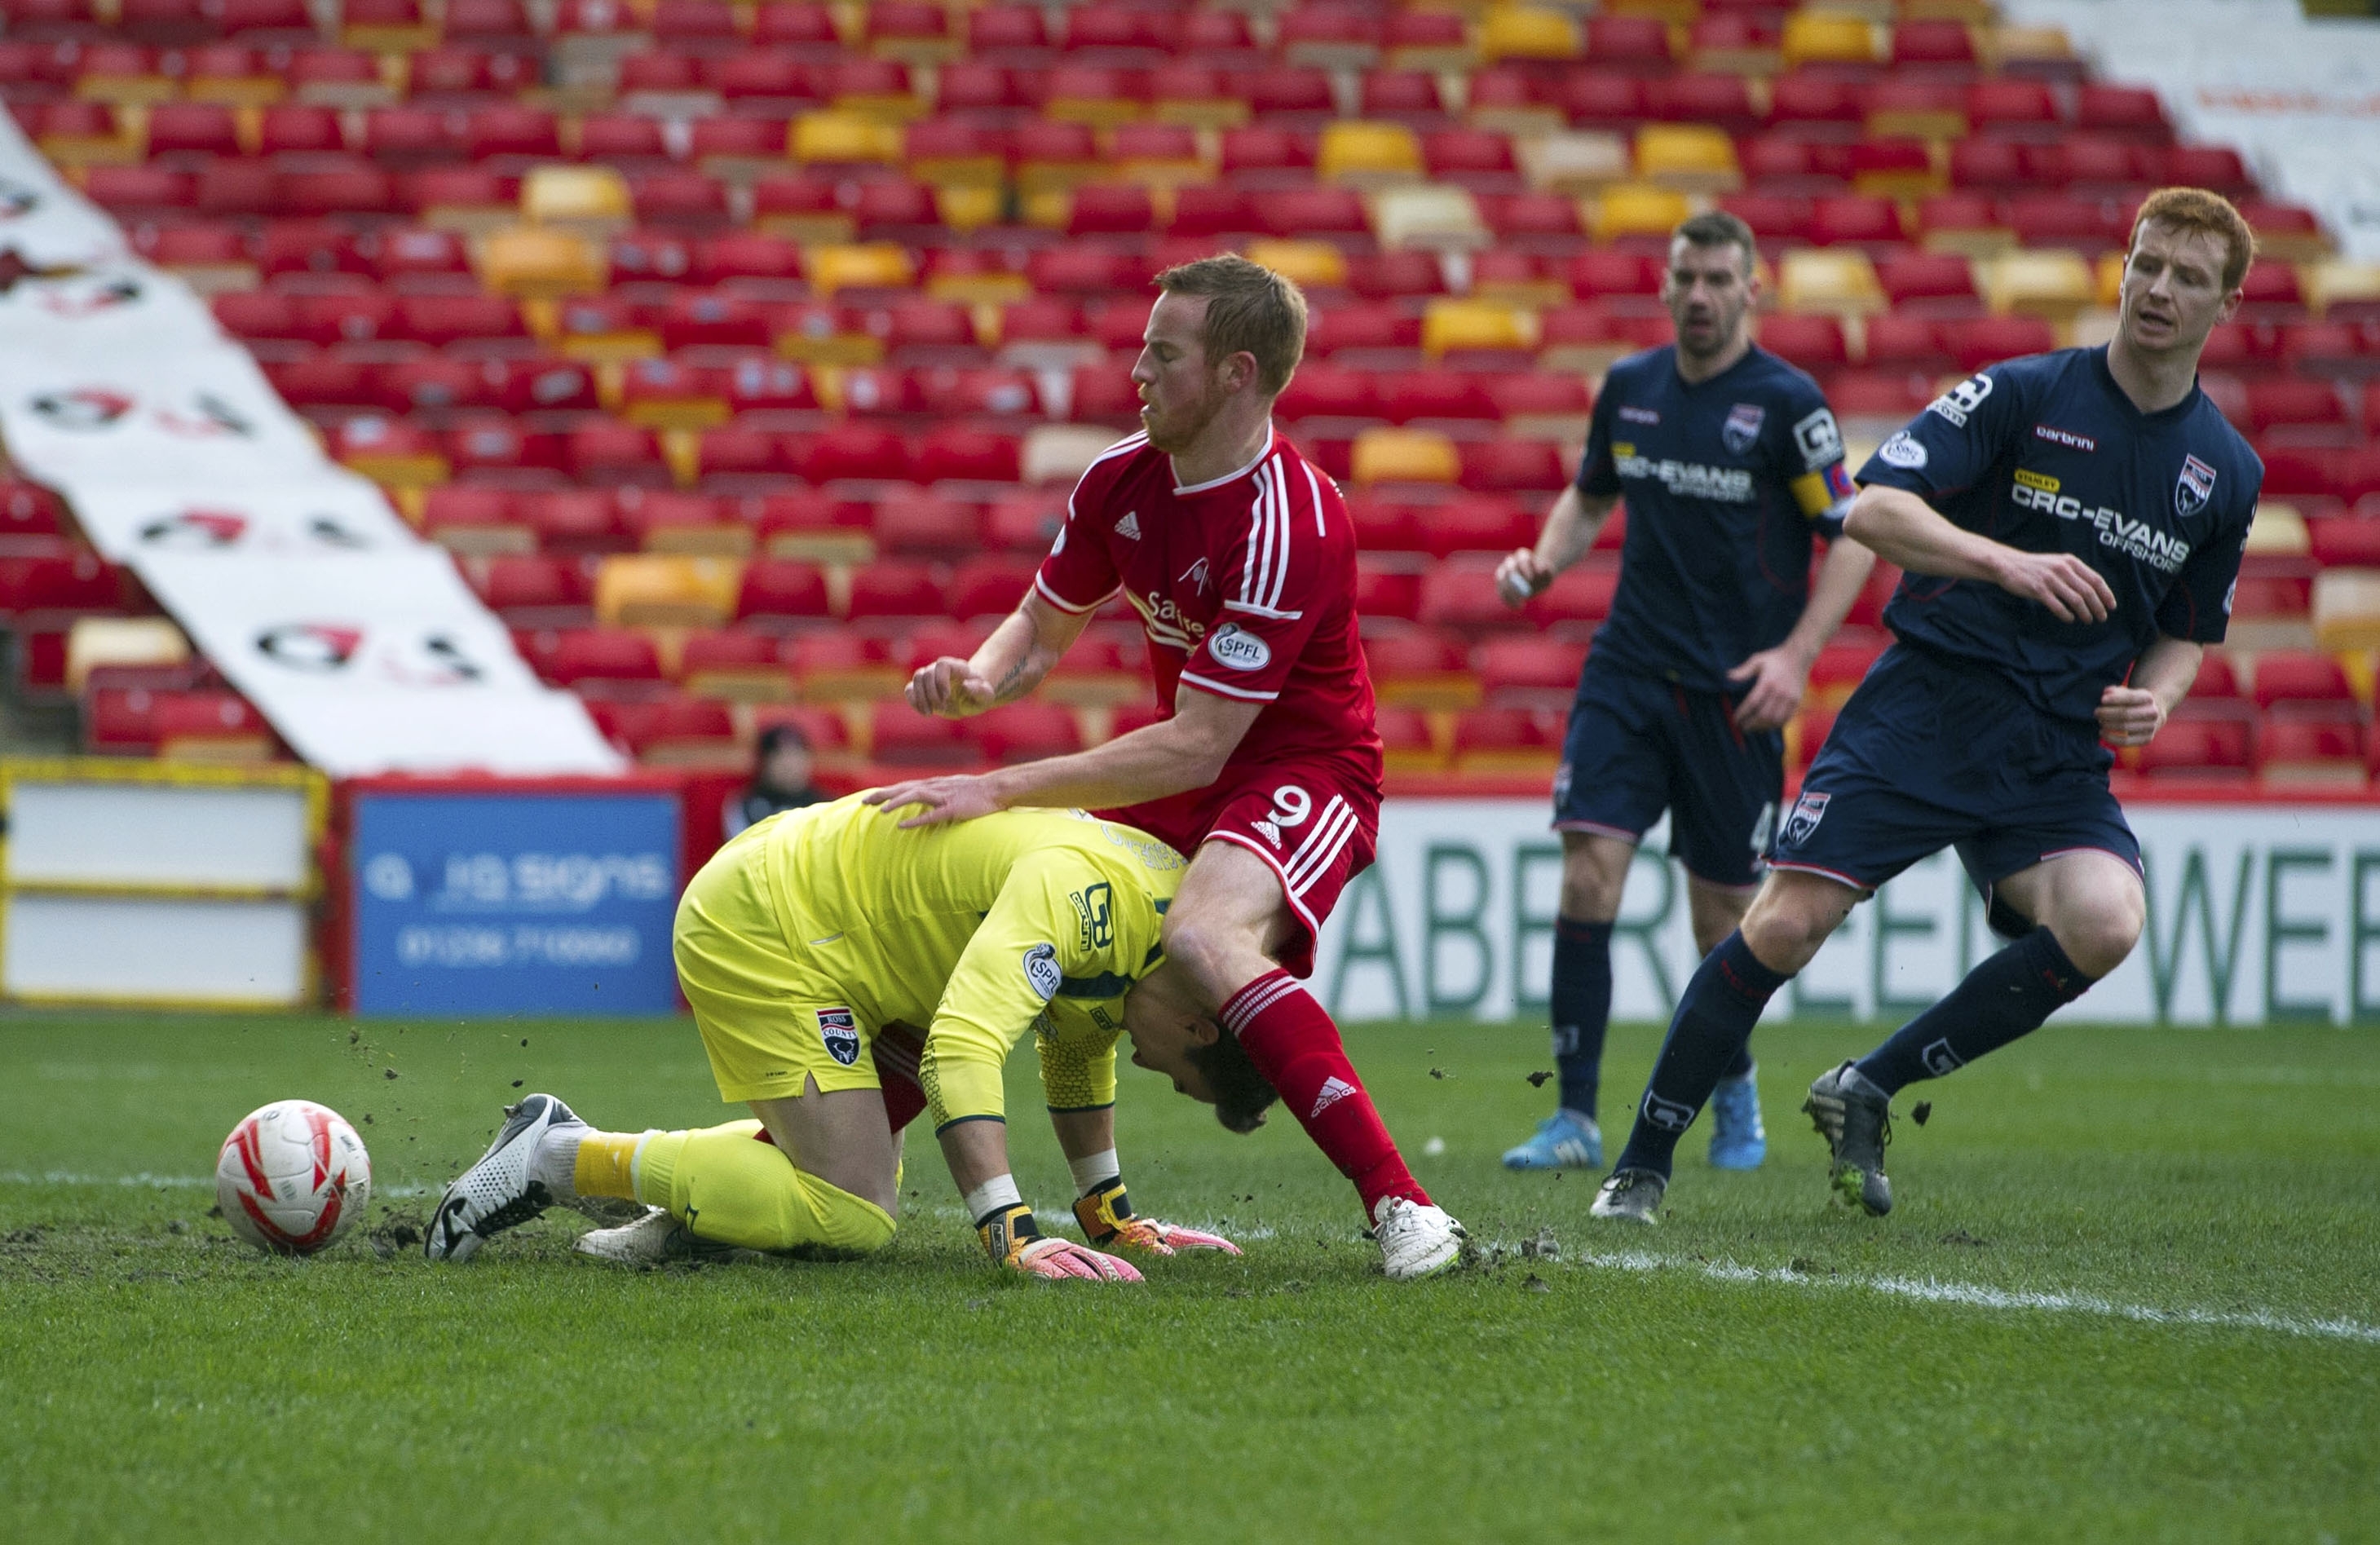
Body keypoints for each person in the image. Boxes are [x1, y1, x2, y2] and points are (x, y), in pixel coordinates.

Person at [1590, 188, 2263, 1224]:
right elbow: (1875, 506)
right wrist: (2008, 562)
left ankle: (1869, 1083)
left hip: (2054, 749)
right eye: (2147, 262)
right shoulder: (2026, 394)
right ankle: (1641, 1162)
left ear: (2228, 306)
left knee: (2107, 917)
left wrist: (2158, 699)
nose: (2158, 288)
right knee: (1784, 926)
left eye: (2187, 276)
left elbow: (2188, 625)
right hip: (1928, 706)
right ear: (2122, 267)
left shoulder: (2226, 469)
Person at [863, 254, 1465, 1281]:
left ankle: (1404, 1204)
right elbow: (1044, 625)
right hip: (1194, 772)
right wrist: (984, 675)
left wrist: (1000, 782)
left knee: (1199, 930)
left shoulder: (1292, 523)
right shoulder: (1121, 476)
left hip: (1301, 769)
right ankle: (796, 1159)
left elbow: (1201, 740)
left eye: (1163, 351)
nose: (1136, 368)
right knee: (1017, 915)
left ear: (1237, 372)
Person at [424, 797, 1244, 1277]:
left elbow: (1076, 1038)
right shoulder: (1087, 899)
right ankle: (556, 1154)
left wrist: (1110, 1215)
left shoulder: (1165, 914)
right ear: (1198, 1023)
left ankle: (694, 1210)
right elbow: (960, 1049)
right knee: (853, 1209)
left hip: (854, 947)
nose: (1149, 1065)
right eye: (1179, 1072)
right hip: (773, 922)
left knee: (839, 1181)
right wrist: (1013, 1234)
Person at [1493, 210, 1875, 1176]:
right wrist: (1545, 560)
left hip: (1734, 694)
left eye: (1717, 279)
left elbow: (1857, 531)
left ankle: (1733, 1091)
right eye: (1684, 278)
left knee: (1724, 918)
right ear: (1664, 287)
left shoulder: (1790, 406)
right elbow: (1588, 495)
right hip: (1627, 673)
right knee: (1588, 871)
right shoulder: (1630, 388)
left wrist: (1795, 657)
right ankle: (1575, 1115)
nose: (1698, 296)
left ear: (1754, 290)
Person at [722, 722, 826, 840]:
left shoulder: (827, 805)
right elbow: (744, 850)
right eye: (780, 756)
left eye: (797, 755)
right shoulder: (744, 806)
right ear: (764, 762)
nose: (789, 764)